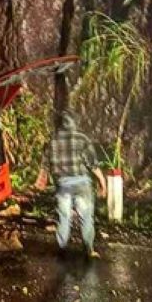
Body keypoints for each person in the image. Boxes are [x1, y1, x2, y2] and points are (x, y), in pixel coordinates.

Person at [35, 111, 107, 259]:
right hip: (82, 184)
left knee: (64, 217)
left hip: (63, 185)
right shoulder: (82, 139)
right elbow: (93, 165)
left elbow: (45, 167)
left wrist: (40, 182)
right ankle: (89, 250)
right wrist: (102, 183)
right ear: (75, 122)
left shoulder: (52, 141)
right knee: (86, 217)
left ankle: (62, 249)